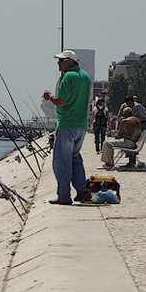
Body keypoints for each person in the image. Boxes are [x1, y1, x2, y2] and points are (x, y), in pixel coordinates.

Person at [43, 49, 92, 204]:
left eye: (61, 60)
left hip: (67, 125)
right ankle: (82, 190)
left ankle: (64, 197)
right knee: (75, 158)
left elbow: (61, 101)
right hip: (81, 125)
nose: (58, 63)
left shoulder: (68, 76)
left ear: (71, 61)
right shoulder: (85, 76)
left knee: (61, 163)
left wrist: (50, 97)